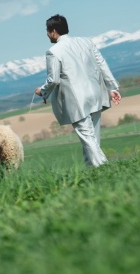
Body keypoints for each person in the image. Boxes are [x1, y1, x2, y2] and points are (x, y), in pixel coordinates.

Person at [35, 14, 121, 167]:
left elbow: (53, 79)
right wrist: (112, 87)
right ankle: (91, 170)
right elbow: (102, 64)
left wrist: (42, 91)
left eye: (47, 31)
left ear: (53, 31)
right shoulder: (87, 42)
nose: (47, 34)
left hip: (76, 101)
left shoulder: (53, 51)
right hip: (96, 95)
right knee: (92, 139)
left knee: (89, 139)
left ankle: (105, 169)